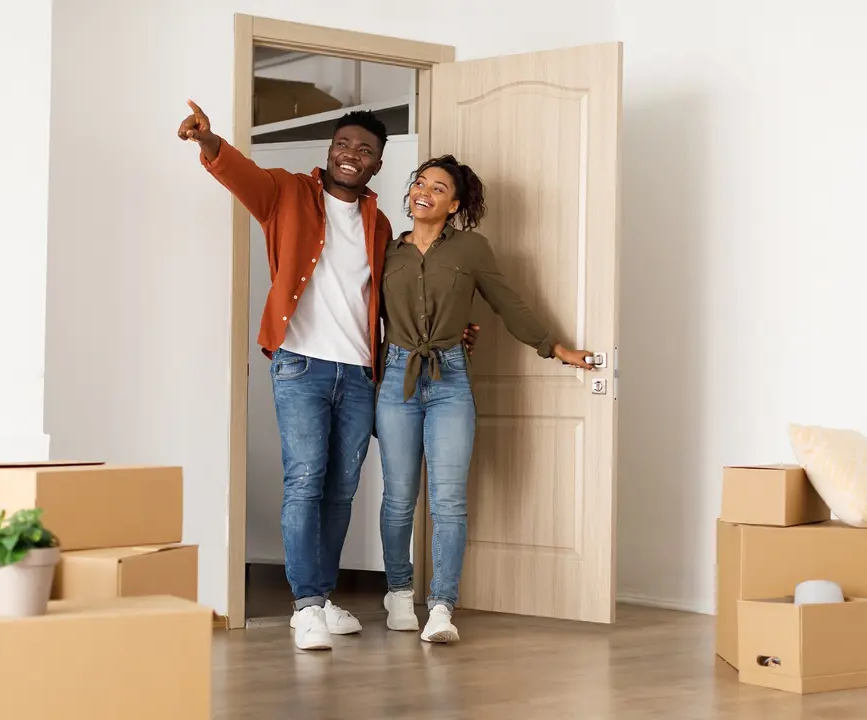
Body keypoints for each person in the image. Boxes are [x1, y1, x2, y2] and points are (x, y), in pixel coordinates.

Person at [178, 102, 477, 651]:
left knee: (341, 489)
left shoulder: (381, 222)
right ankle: (306, 605)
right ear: (330, 151)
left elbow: (404, 295)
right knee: (305, 478)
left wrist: (453, 329)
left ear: (378, 164)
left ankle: (322, 594)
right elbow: (238, 172)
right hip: (301, 365)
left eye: (365, 150)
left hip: (361, 372)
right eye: (344, 144)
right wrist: (209, 141)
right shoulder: (287, 193)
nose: (351, 155)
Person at [376, 155, 594, 643]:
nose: (423, 191)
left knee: (449, 501)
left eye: (438, 188)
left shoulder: (471, 249)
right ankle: (397, 593)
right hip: (396, 377)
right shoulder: (386, 250)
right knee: (398, 498)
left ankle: (440, 608)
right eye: (419, 183)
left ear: (453, 204)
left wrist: (554, 347)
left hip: (450, 377)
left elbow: (506, 301)